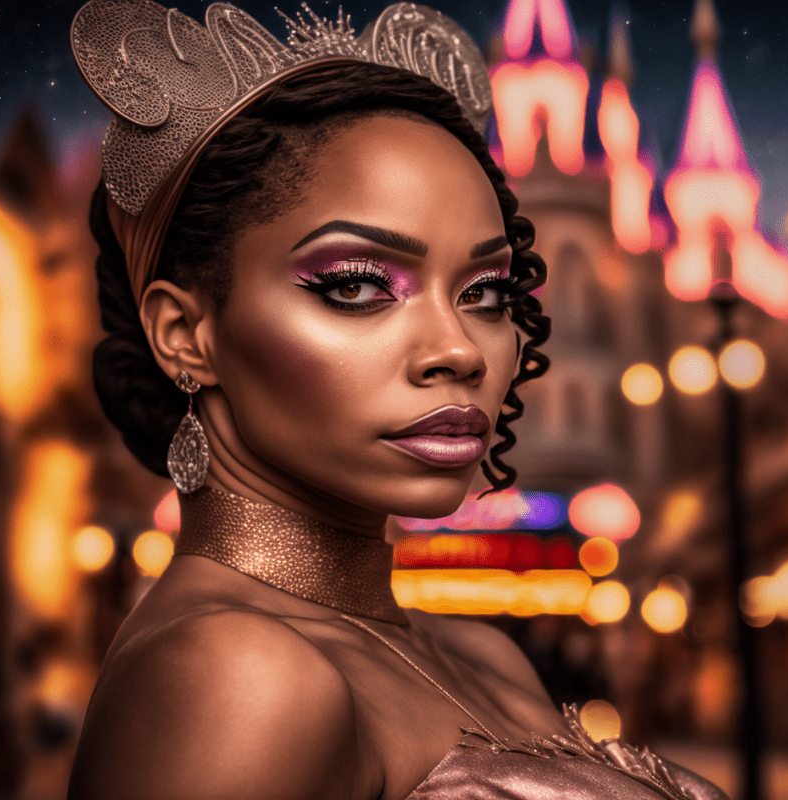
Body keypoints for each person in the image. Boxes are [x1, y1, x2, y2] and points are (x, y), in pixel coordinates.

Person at [66, 1, 727, 798]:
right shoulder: (237, 673)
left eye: (485, 292)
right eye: (356, 285)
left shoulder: (478, 652)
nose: (458, 350)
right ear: (185, 332)